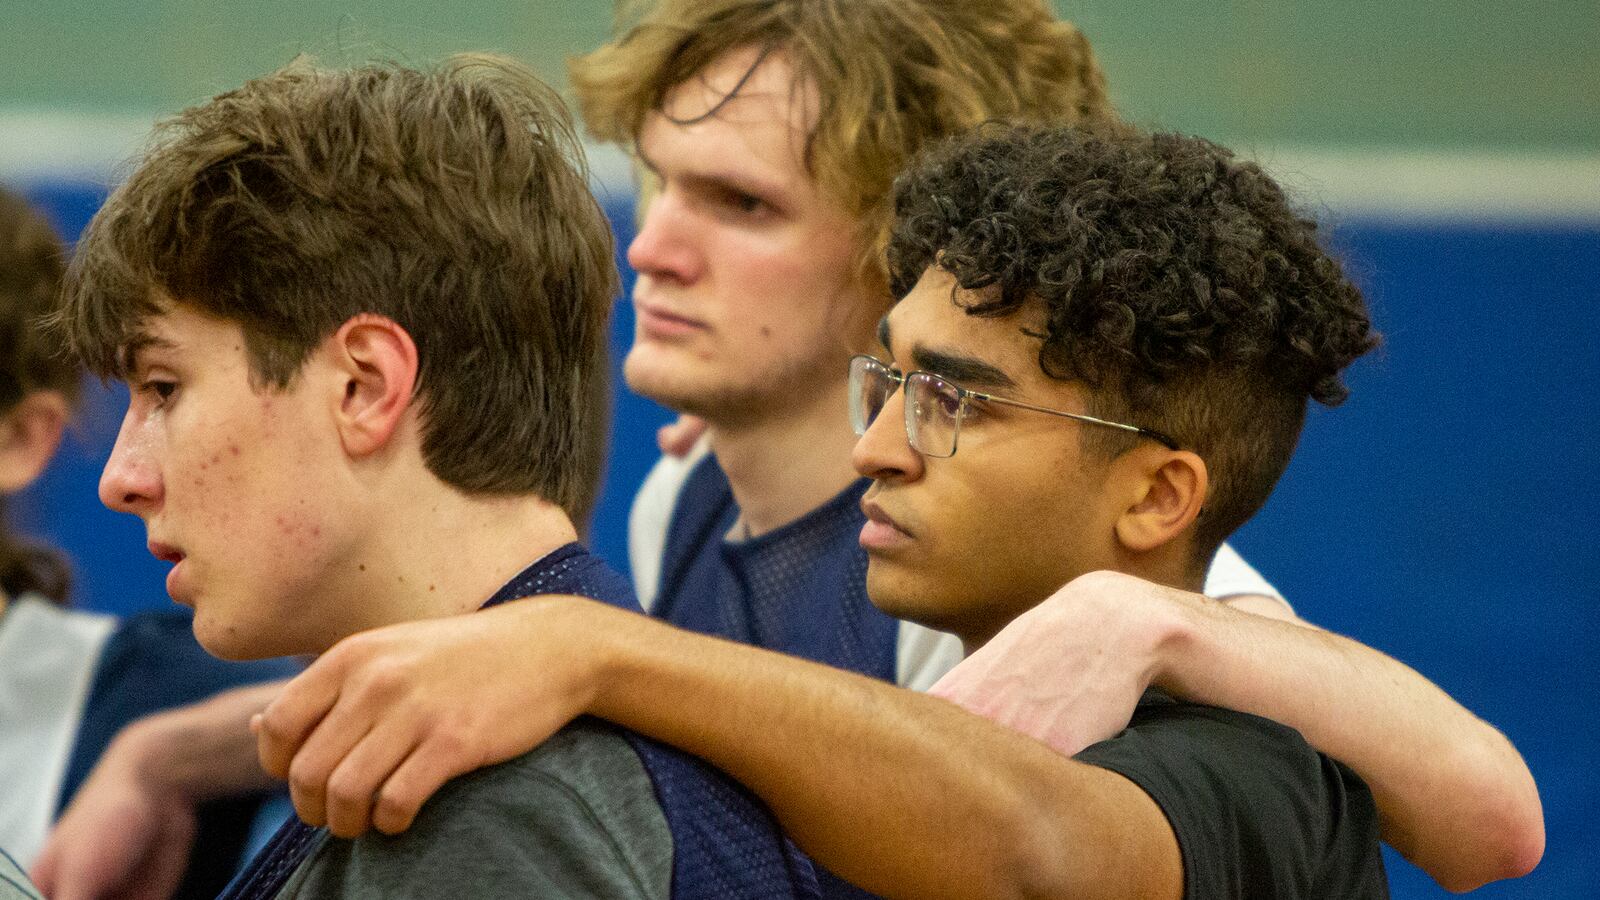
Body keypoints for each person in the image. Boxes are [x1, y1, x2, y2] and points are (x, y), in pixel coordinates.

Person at [41, 1, 1542, 895]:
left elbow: (1488, 815)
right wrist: (170, 757)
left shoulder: (1158, 647)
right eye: (657, 185)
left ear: (889, 256)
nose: (655, 245)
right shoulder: (690, 501)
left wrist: (1156, 621)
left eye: (740, 205)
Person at [270, 123, 1413, 898]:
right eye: (891, 381)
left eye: (955, 402)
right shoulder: (865, 716)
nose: (875, 448)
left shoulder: (1265, 776)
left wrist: (587, 648)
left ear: (1158, 495)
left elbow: (1035, 848)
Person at [50, 54, 822, 899]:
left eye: (164, 388)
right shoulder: (510, 773)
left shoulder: (495, 809)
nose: (120, 478)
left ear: (365, 386)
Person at [0, 185, 295, 899]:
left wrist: (163, 756)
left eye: (163, 389)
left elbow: (440, 680)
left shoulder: (153, 694)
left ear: (18, 439)